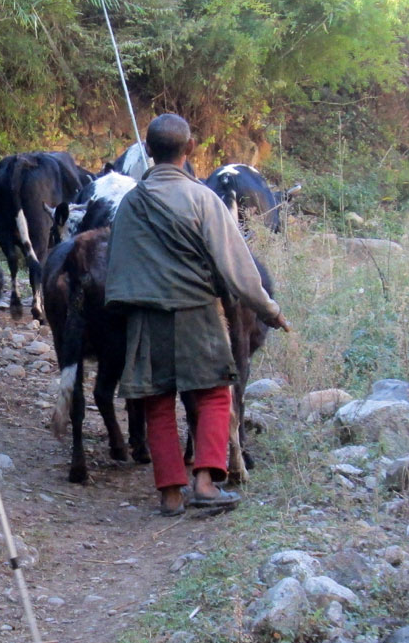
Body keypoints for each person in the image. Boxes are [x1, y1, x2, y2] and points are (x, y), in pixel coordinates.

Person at [104, 113, 289, 517]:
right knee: (214, 396)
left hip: (145, 317)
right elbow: (238, 267)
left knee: (156, 403)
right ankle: (205, 483)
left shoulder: (131, 203)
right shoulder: (204, 199)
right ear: (190, 150)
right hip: (198, 315)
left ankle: (170, 494)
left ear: (147, 151)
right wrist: (269, 310)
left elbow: (116, 268)